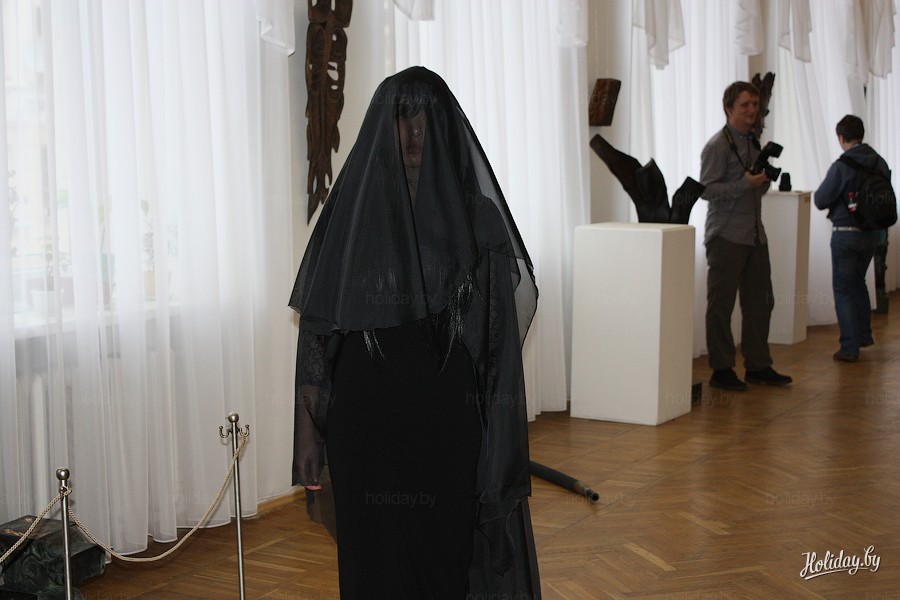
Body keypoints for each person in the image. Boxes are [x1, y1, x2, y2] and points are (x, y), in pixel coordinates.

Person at [289, 67, 541, 599]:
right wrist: (308, 429)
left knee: (441, 561)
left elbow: (497, 345)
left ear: (444, 126)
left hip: (443, 426)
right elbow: (317, 327)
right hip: (363, 426)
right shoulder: (351, 214)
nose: (413, 133)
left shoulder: (476, 217)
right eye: (402, 118)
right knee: (371, 564)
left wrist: (497, 450)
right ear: (384, 126)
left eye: (425, 119)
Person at [699, 81, 793, 392]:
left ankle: (758, 365)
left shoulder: (753, 141)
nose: (752, 110)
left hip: (754, 235)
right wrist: (745, 183)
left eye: (755, 104)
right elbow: (707, 190)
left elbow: (754, 190)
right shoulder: (717, 145)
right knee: (721, 305)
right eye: (745, 105)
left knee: (761, 302)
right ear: (729, 109)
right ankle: (722, 369)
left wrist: (761, 181)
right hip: (725, 235)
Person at [813, 115, 889, 362]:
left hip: (845, 234)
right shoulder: (879, 162)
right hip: (872, 234)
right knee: (858, 282)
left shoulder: (842, 165)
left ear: (841, 137)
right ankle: (864, 335)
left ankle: (849, 347)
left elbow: (820, 199)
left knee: (843, 289)